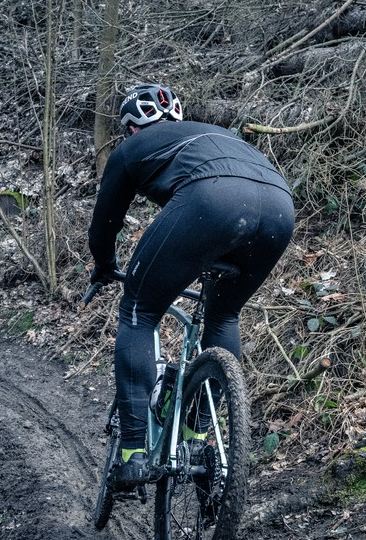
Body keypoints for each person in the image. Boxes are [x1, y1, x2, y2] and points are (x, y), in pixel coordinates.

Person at [87, 83, 295, 487]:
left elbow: (105, 223)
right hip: (279, 206)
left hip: (213, 198)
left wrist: (104, 264)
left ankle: (132, 453)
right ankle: (197, 439)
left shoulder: (133, 147)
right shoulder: (214, 135)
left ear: (131, 128)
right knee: (224, 316)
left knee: (139, 310)